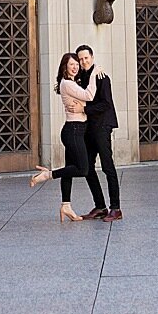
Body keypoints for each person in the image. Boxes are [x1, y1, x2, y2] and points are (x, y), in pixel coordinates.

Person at [29, 52, 105, 222]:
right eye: (72, 64)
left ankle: (66, 205)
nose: (75, 66)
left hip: (76, 129)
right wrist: (93, 73)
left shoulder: (71, 83)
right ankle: (48, 174)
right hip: (74, 130)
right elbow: (89, 96)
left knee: (69, 169)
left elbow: (85, 99)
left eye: (77, 64)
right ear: (65, 67)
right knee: (83, 169)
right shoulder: (67, 84)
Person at [76, 44, 122, 222]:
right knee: (86, 167)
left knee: (107, 167)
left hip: (102, 126)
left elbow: (106, 104)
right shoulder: (81, 77)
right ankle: (101, 206)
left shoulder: (102, 77)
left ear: (92, 58)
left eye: (86, 58)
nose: (83, 61)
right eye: (80, 59)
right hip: (89, 128)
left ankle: (116, 208)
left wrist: (85, 108)